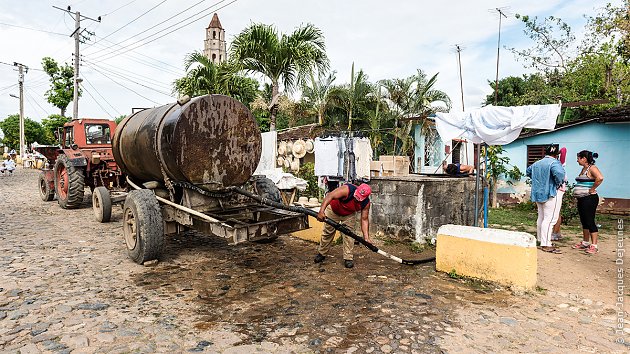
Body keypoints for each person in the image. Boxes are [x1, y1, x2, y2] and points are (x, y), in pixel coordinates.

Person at [314, 183, 372, 269]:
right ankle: (322, 253)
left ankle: (348, 258)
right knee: (328, 232)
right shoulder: (347, 190)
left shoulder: (365, 203)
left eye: (359, 199)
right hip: (333, 210)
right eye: (356, 196)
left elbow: (364, 219)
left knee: (349, 235)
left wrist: (366, 238)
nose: (356, 199)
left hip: (349, 214)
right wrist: (321, 211)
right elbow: (330, 196)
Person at [526, 145, 565, 254]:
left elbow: (528, 171)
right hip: (551, 193)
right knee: (550, 219)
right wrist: (558, 182)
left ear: (546, 153)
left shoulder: (537, 163)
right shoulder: (555, 163)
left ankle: (540, 239)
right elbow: (560, 174)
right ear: (556, 155)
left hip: (538, 192)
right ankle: (546, 244)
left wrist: (539, 179)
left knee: (541, 217)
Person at [572, 150, 604, 254]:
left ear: (584, 158)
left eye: (578, 158)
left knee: (590, 221)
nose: (577, 160)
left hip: (589, 198)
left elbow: (600, 178)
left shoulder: (592, 168)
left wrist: (592, 189)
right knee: (584, 221)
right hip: (582, 198)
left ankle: (594, 245)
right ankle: (585, 242)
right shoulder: (583, 169)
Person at [551, 147, 568, 241]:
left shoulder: (559, 164)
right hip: (558, 190)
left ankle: (555, 233)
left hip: (558, 190)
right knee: (556, 212)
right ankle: (558, 232)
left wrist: (557, 153)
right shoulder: (556, 164)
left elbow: (564, 149)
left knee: (555, 213)